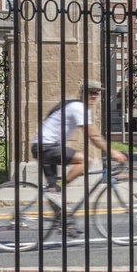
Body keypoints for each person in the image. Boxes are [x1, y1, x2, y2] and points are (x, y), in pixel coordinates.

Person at [33, 81, 124, 234]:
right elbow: (93, 136)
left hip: (43, 145)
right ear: (81, 93)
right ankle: (58, 189)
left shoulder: (73, 105)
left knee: (53, 190)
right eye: (90, 92)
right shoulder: (79, 107)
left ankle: (65, 224)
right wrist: (113, 152)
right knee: (85, 161)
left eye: (96, 93)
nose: (94, 95)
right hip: (47, 146)